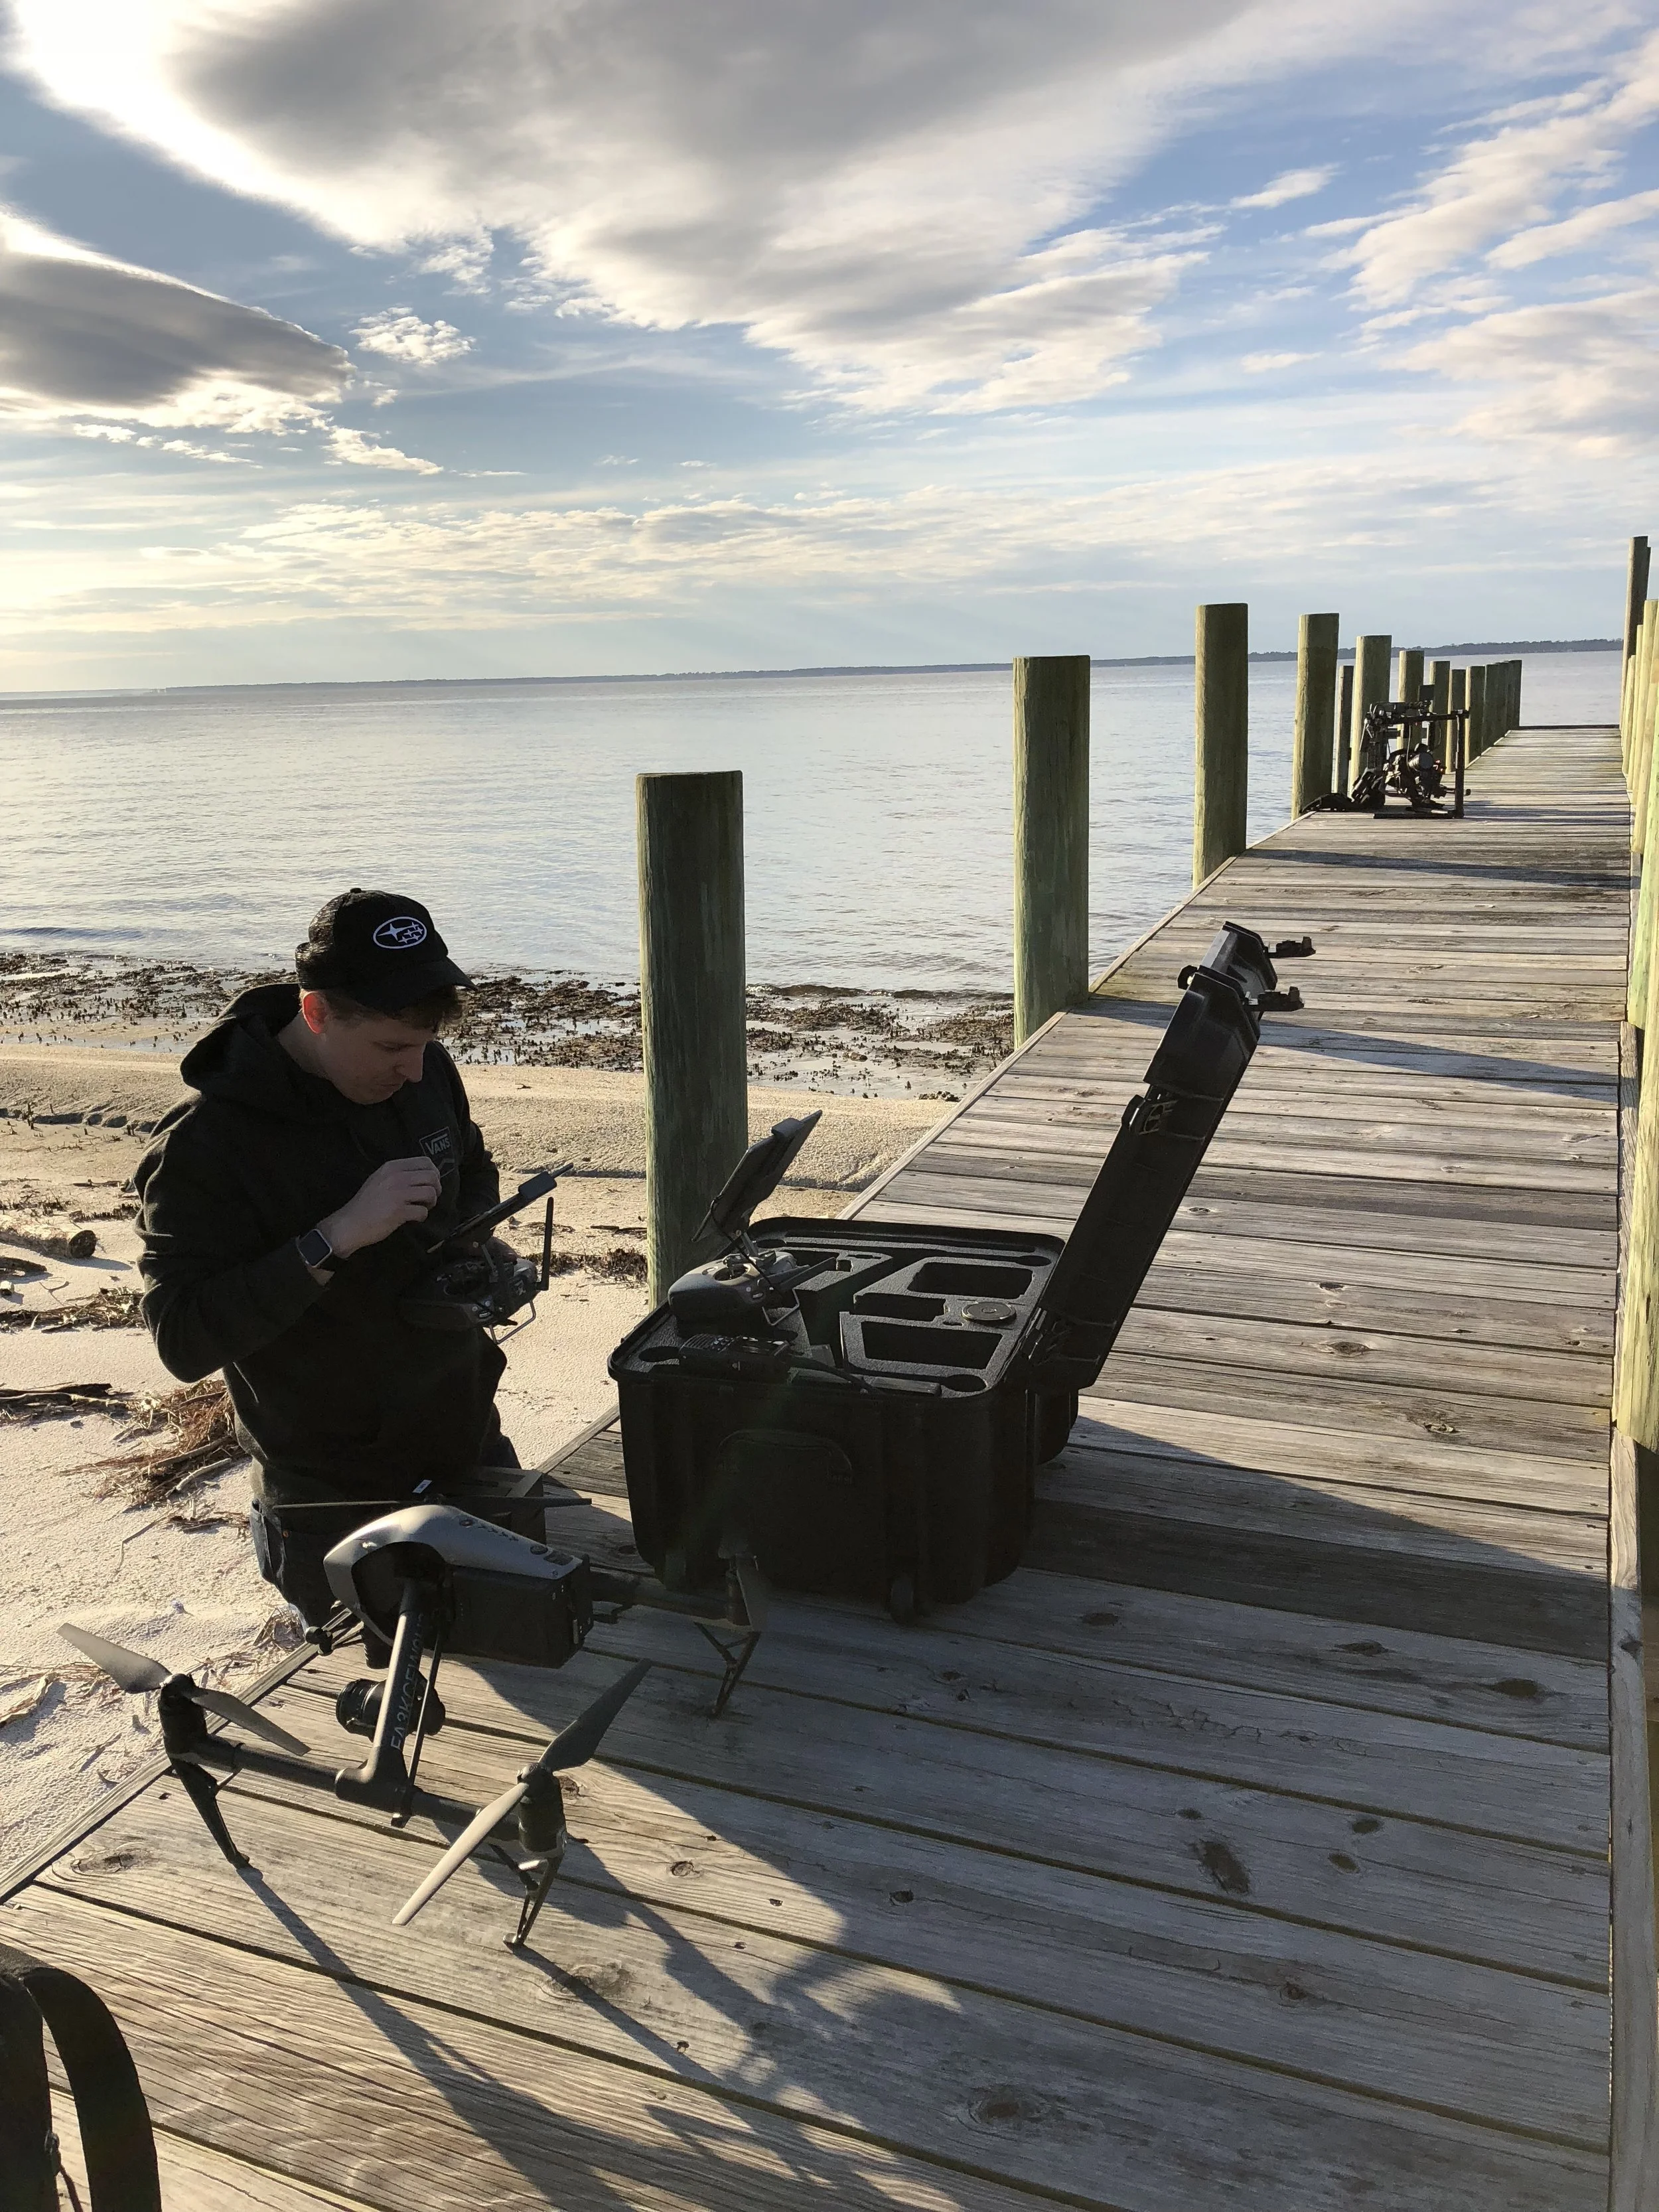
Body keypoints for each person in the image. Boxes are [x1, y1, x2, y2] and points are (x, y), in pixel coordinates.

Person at [135, 888, 519, 1633]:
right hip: (330, 1491)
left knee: (528, 1651)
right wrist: (335, 1235)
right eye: (388, 1048)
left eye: (423, 1046)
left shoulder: (423, 1070)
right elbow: (182, 1339)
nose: (412, 1071)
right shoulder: (204, 1147)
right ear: (316, 1013)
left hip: (467, 1438)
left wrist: (474, 1239)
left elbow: (469, 1164)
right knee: (388, 1706)